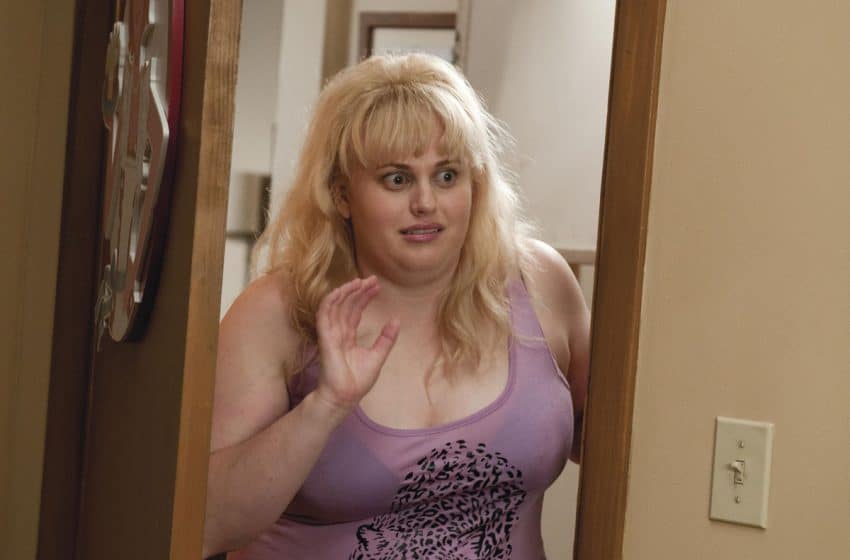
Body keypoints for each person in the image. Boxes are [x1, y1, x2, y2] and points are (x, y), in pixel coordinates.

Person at [202, 53, 590, 559]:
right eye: (397, 179)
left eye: (447, 176)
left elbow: (620, 450)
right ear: (342, 195)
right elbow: (206, 525)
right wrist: (326, 406)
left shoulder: (542, 283)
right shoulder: (275, 313)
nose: (425, 202)